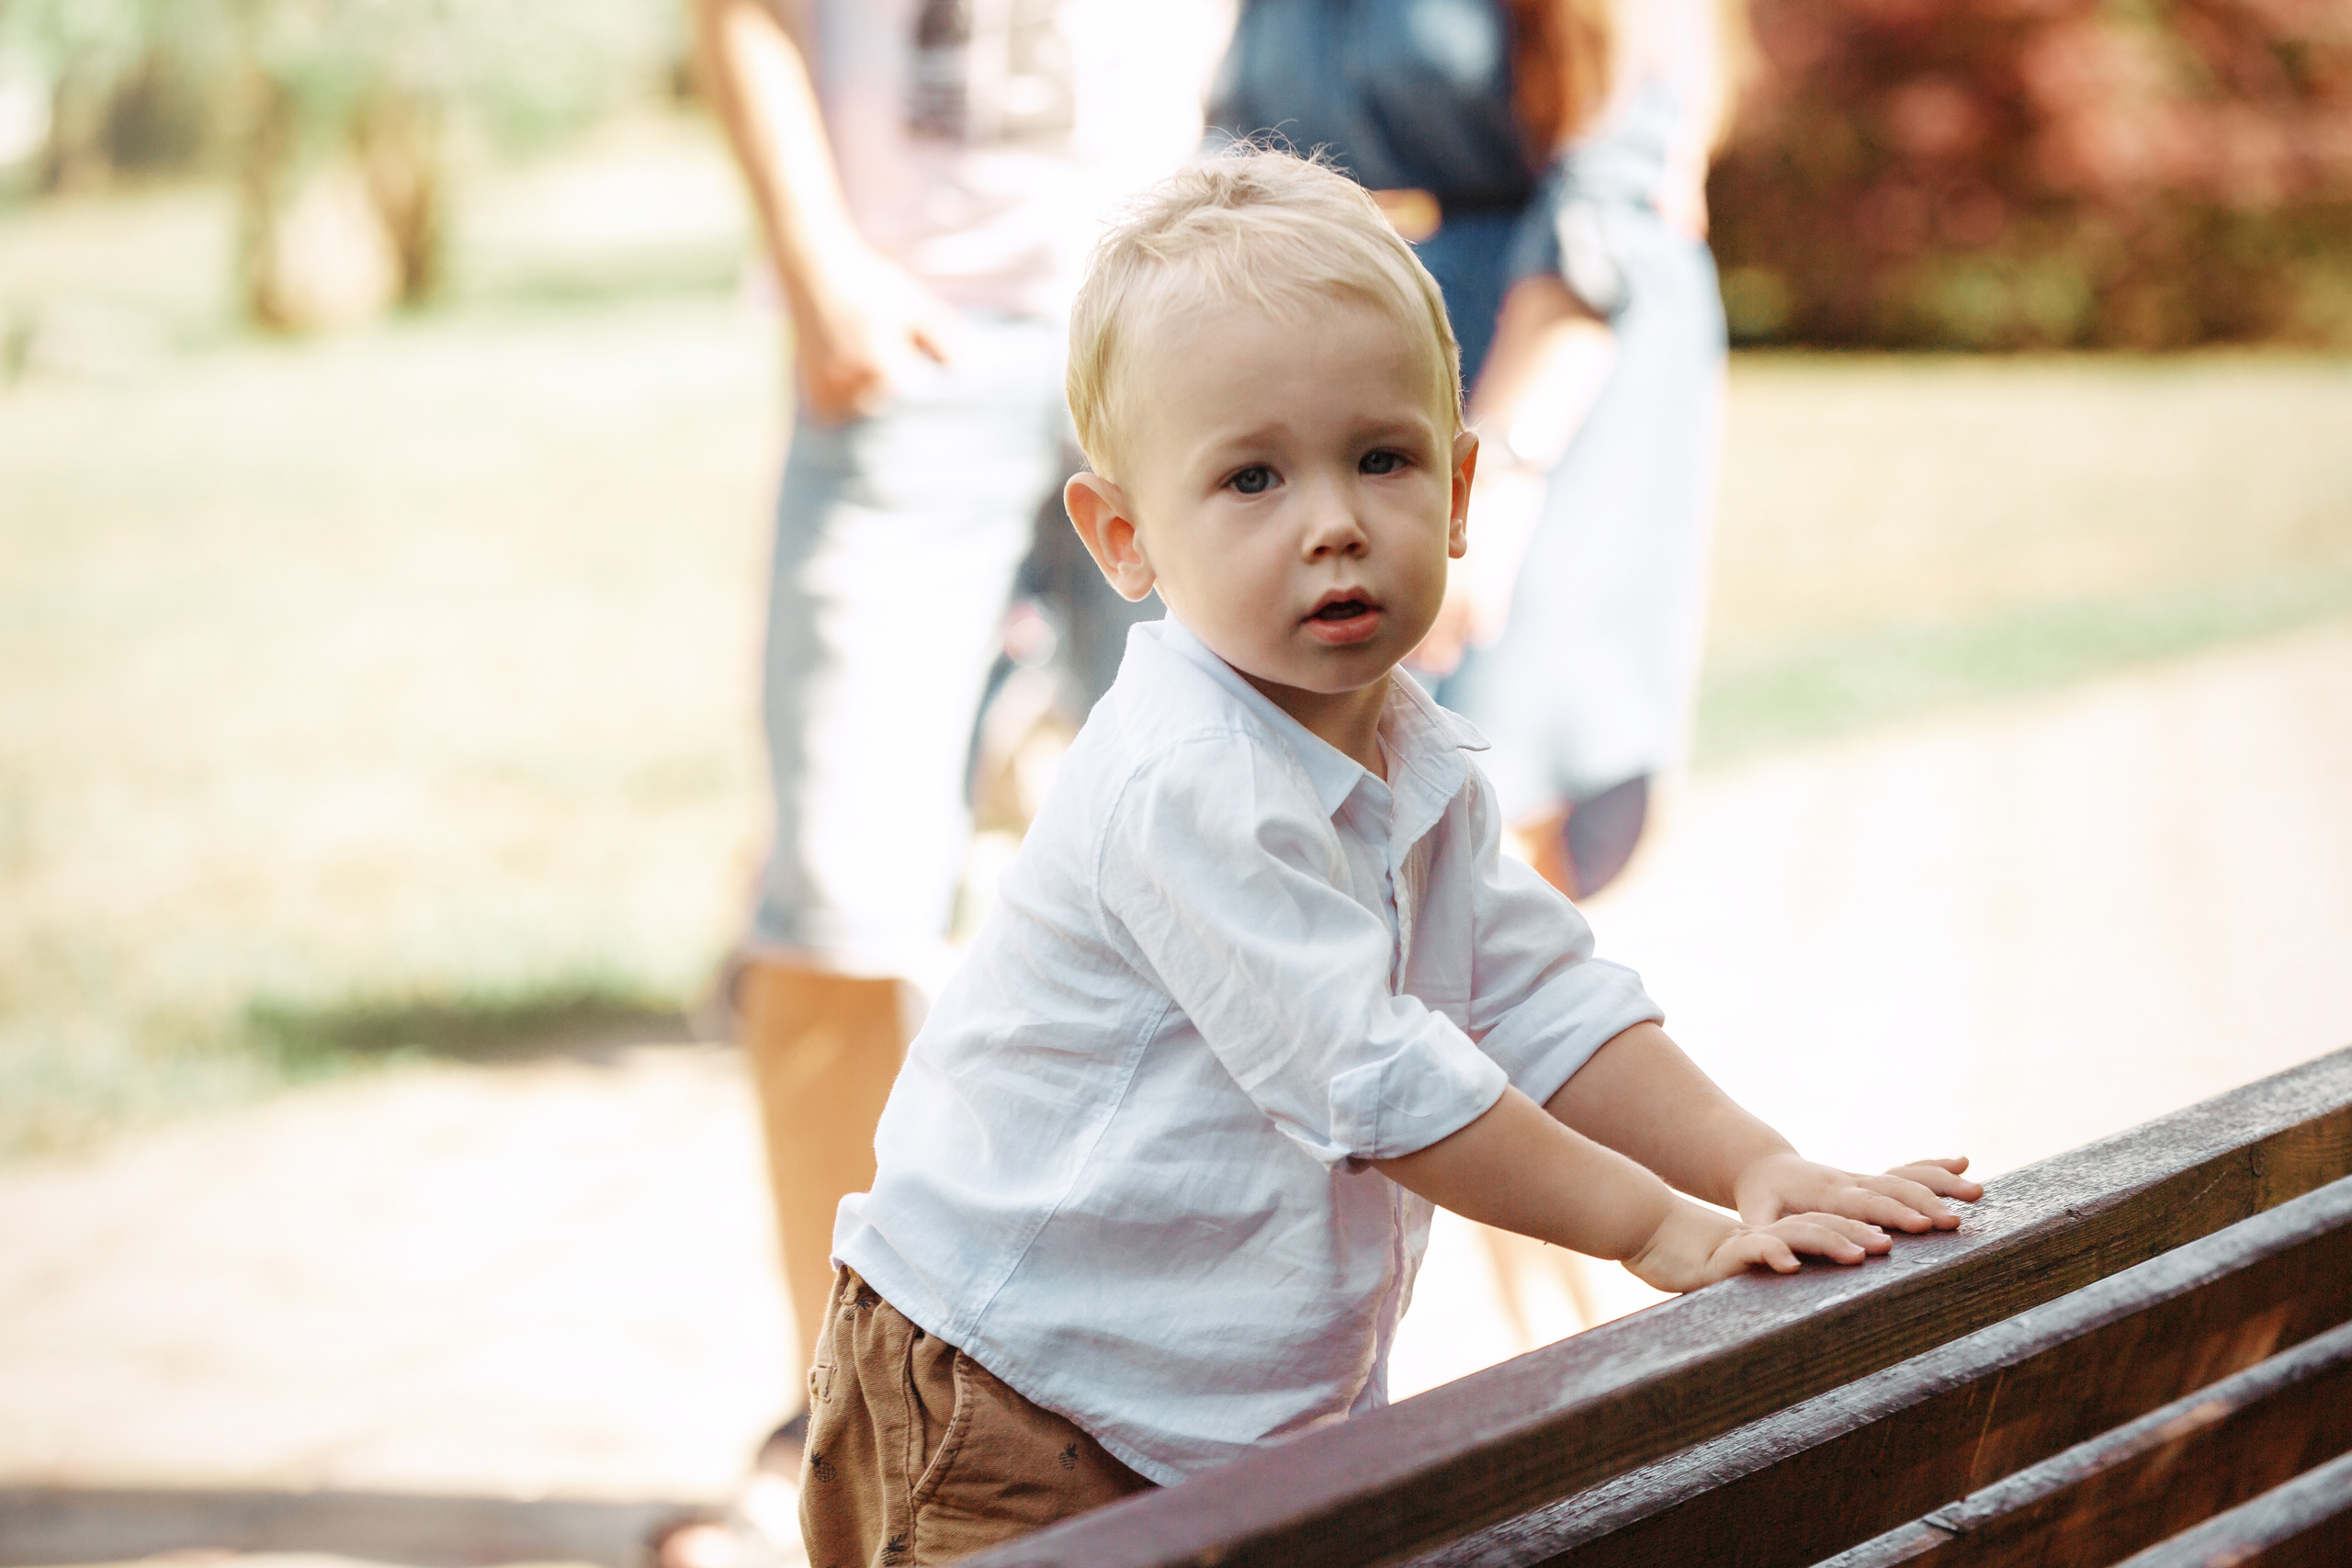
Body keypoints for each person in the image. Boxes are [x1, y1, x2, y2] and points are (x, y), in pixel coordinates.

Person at [799, 150, 1981, 1563]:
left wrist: (1752, 1162)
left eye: (1382, 456)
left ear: (1462, 487)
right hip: (1013, 1388)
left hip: (1214, 1412)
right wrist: (1653, 1227)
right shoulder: (1189, 775)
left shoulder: (1408, 745)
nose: (1335, 519)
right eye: (1250, 476)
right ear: (1125, 535)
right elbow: (1374, 1075)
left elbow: (1545, 995)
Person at [670, 3, 1228, 1561]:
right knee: (836, 898)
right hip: (912, 347)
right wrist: (819, 269)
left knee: (1207, 895)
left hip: (1173, 332)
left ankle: (1159, 1422)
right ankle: (831, 1422)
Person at [1208, 0, 1739, 899]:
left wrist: (1494, 479)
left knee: (1494, 781)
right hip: (1342, 347)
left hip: (1551, 354)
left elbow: (1607, 204)